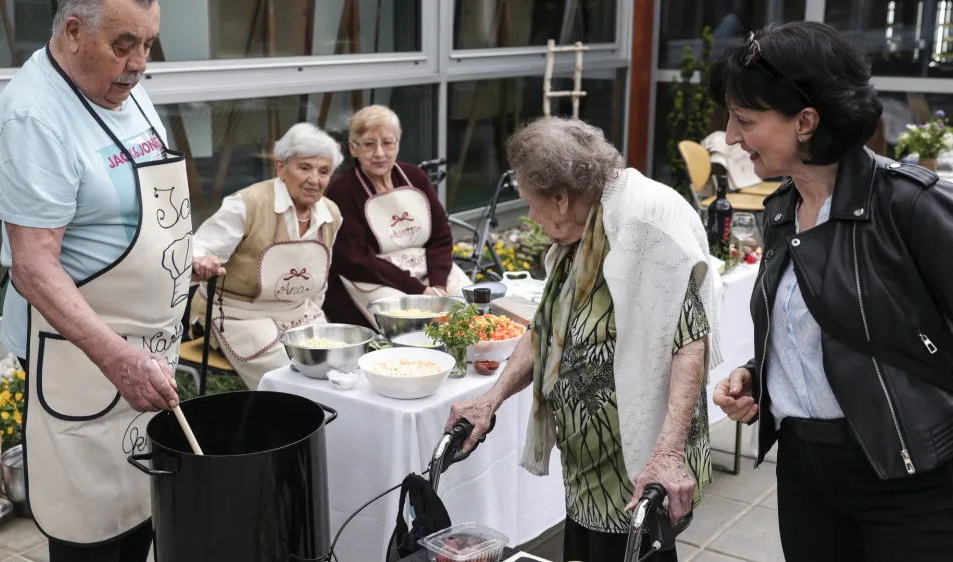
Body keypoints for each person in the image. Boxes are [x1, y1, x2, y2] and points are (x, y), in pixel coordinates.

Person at [708, 22, 953, 561]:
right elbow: (832, 326)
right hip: (805, 471)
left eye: (745, 120)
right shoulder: (781, 211)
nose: (729, 137)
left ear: (806, 121)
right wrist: (759, 371)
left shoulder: (907, 204)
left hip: (912, 482)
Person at [0, 0, 218, 560]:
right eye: (124, 45)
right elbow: (34, 267)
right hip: (78, 355)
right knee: (89, 523)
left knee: (141, 500)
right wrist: (117, 358)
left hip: (146, 344)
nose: (139, 63)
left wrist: (181, 252)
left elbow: (132, 199)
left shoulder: (123, 87)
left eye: (148, 44)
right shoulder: (33, 117)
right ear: (72, 32)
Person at [446, 117, 722, 562]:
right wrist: (490, 399)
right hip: (586, 471)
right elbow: (545, 330)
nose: (531, 217)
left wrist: (668, 453)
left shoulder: (643, 225)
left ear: (559, 197)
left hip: (635, 469)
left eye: (530, 204)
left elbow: (689, 342)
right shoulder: (583, 230)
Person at [189, 123, 344, 389]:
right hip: (241, 317)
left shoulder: (331, 214)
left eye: (324, 171)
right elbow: (198, 249)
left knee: (340, 367)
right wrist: (201, 260)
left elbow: (320, 276)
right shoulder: (247, 204)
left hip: (299, 314)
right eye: (304, 167)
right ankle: (290, 429)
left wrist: (315, 313)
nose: (314, 179)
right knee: (292, 379)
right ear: (281, 167)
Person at [323, 105, 471, 328]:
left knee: (467, 308)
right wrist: (419, 290)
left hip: (429, 269)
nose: (380, 153)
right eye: (370, 144)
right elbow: (357, 260)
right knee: (414, 322)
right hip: (375, 278)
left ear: (397, 144)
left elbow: (440, 236)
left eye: (387, 143)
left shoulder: (415, 177)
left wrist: (438, 283)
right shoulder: (341, 192)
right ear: (353, 148)